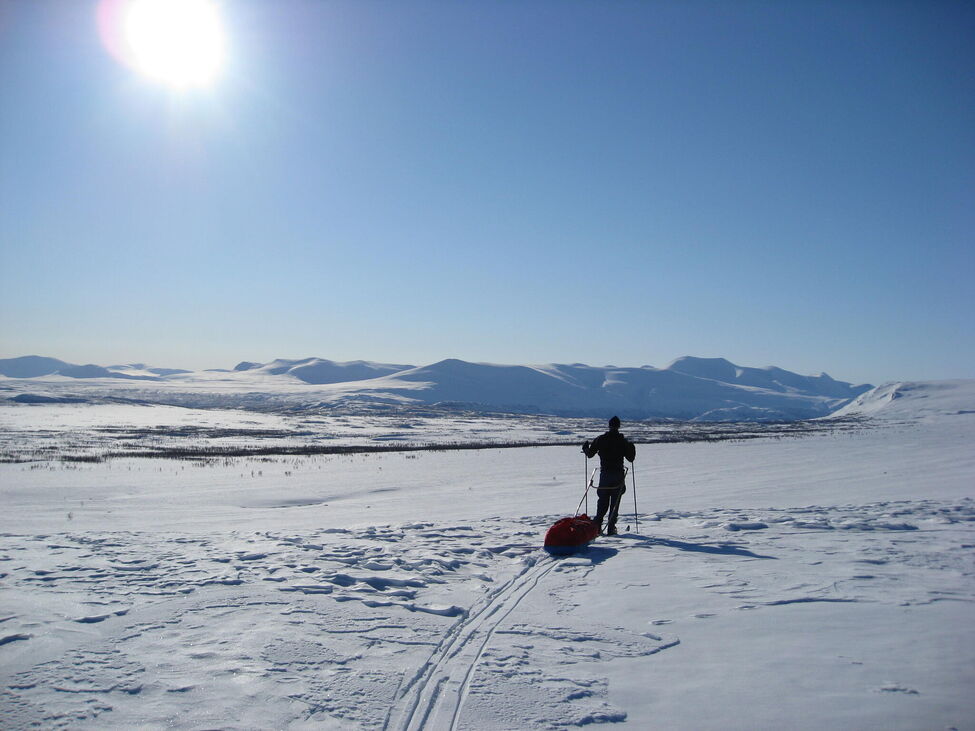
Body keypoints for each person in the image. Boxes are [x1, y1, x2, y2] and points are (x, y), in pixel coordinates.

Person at [582, 416, 636, 535]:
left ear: (609, 425)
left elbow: (590, 454)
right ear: (619, 426)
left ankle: (597, 527)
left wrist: (585, 448)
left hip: (605, 475)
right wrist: (632, 447)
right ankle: (611, 528)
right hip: (618, 475)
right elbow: (631, 458)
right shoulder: (622, 441)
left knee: (602, 502)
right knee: (615, 503)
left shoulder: (601, 439)